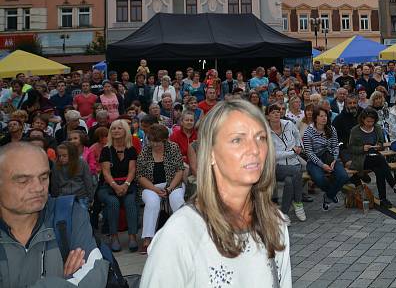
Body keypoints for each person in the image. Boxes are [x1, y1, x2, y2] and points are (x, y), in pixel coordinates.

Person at [141, 99, 291, 287]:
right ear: (210, 153)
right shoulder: (180, 234)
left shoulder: (275, 223)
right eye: (237, 139)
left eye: (260, 138)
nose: (254, 149)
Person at [0, 142, 110, 287]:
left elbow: (93, 278)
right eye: (23, 180)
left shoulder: (68, 214)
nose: (38, 187)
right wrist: (62, 282)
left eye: (44, 177)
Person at [136, 123, 185, 254]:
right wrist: (155, 189)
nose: (155, 144)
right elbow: (140, 176)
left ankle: (184, 235)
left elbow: (179, 171)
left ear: (164, 139)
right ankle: (147, 239)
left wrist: (169, 189)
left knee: (177, 200)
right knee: (152, 203)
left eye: (158, 141)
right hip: (151, 186)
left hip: (172, 184)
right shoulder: (145, 152)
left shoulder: (173, 148)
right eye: (152, 141)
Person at [348, 109, 396, 208]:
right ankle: (393, 184)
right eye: (368, 121)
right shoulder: (355, 130)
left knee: (380, 170)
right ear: (362, 120)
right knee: (380, 160)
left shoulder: (377, 128)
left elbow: (381, 143)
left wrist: (379, 146)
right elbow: (351, 148)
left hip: (374, 156)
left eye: (372, 121)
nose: (370, 124)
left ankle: (383, 199)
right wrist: (362, 148)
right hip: (361, 159)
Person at [97, 119, 139, 252]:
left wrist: (125, 185)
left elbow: (132, 170)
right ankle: (114, 236)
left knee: (131, 201)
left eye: (119, 128)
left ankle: (132, 236)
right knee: (113, 202)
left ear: (125, 130)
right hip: (108, 186)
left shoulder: (131, 149)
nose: (115, 130)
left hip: (127, 184)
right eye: (113, 128)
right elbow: (106, 173)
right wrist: (116, 186)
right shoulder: (106, 150)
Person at [302, 106, 349, 211]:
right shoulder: (308, 132)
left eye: (326, 116)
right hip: (314, 159)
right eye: (321, 116)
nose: (324, 118)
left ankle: (328, 195)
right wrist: (322, 165)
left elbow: (335, 146)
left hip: (329, 156)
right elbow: (309, 152)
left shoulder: (331, 129)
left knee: (344, 176)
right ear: (315, 118)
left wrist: (334, 160)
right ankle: (332, 193)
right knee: (319, 178)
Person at [267, 103, 306, 223]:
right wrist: (292, 152)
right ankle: (298, 203)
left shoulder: (289, 124)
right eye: (273, 112)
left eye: (278, 112)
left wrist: (299, 146)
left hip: (293, 163)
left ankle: (283, 213)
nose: (276, 114)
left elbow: (298, 136)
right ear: (268, 116)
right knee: (297, 171)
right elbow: (273, 155)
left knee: (290, 181)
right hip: (277, 167)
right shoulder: (265, 132)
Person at [51, 141, 95, 209]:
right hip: (63, 197)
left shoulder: (82, 163)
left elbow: (88, 181)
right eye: (59, 156)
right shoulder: (56, 165)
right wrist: (55, 198)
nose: (61, 158)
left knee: (81, 216)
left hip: (81, 197)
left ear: (72, 155)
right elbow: (55, 184)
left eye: (64, 156)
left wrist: (90, 198)